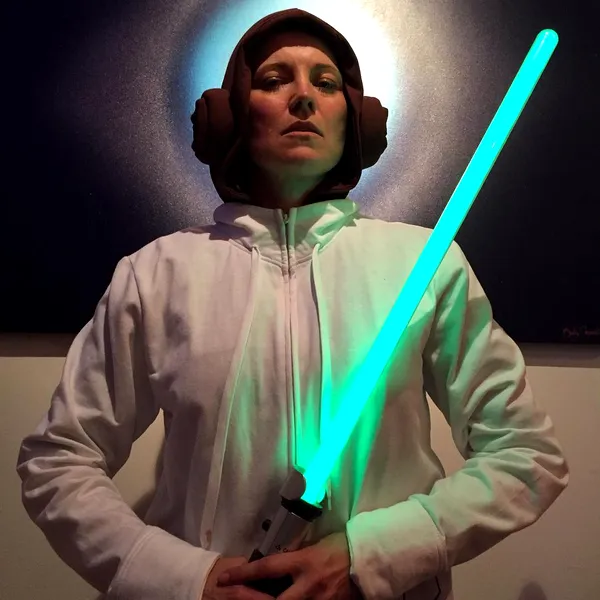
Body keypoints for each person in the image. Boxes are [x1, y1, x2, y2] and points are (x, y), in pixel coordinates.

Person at [16, 8, 569, 600]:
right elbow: (59, 460)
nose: (303, 96)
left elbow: (526, 454)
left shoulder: (424, 264)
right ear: (229, 116)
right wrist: (183, 579)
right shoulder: (156, 273)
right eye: (275, 79)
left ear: (356, 120)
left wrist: (370, 555)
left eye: (325, 83)